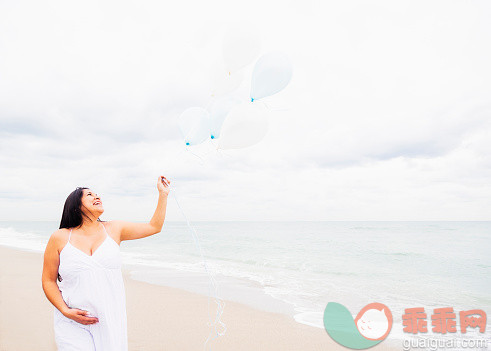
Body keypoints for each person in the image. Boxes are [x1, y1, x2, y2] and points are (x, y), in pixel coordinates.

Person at [42, 175, 171, 350]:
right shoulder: (60, 237)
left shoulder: (115, 229)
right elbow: (48, 280)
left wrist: (163, 195)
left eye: (96, 194)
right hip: (71, 321)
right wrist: (65, 311)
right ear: (75, 206)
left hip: (110, 320)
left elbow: (154, 227)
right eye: (89, 195)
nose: (97, 196)